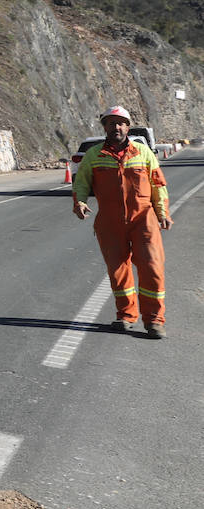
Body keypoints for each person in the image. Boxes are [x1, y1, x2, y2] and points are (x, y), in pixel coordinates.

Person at [71, 105, 171, 338]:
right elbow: (81, 182)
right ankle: (126, 315)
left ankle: (154, 320)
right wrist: (80, 202)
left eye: (121, 122)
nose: (116, 127)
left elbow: (158, 184)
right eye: (111, 123)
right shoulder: (94, 155)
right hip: (109, 221)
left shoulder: (143, 152)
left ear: (127, 126)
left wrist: (163, 212)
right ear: (104, 126)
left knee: (152, 268)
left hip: (143, 219)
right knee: (118, 271)